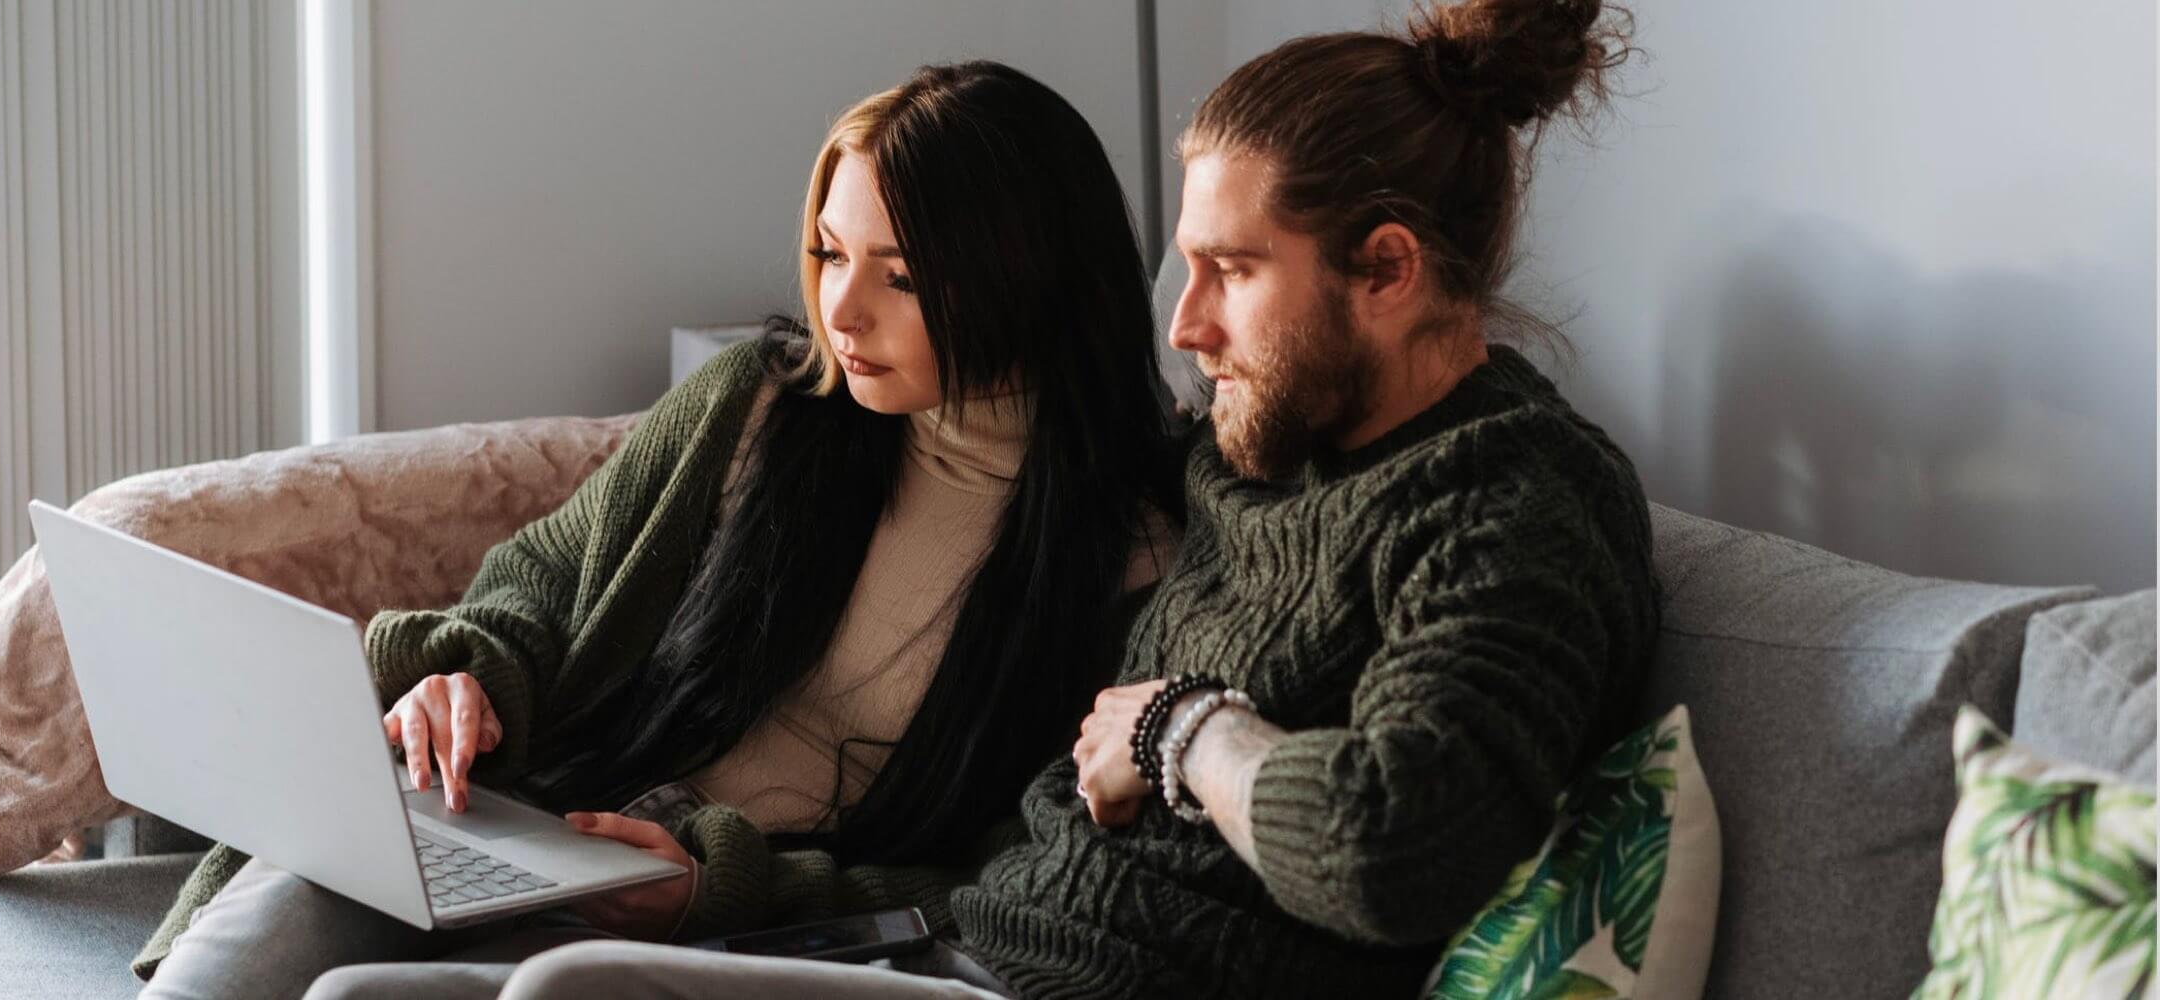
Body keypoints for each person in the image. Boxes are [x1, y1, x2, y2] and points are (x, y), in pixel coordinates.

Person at [486, 0, 1659, 996]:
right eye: (1184, 266)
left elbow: (1393, 848)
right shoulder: (1263, 456)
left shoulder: (1508, 504)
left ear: (1389, 270)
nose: (1186, 324)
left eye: (1233, 273)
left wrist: (1178, 728)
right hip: (953, 954)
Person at [134, 59, 1177, 1000]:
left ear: (1031, 277)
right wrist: (467, 682)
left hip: (743, 933)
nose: (841, 309)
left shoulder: (1128, 558)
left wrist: (714, 890)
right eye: (828, 252)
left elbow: (1011, 875)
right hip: (545, 820)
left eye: (898, 276)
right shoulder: (758, 407)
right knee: (301, 895)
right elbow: (541, 577)